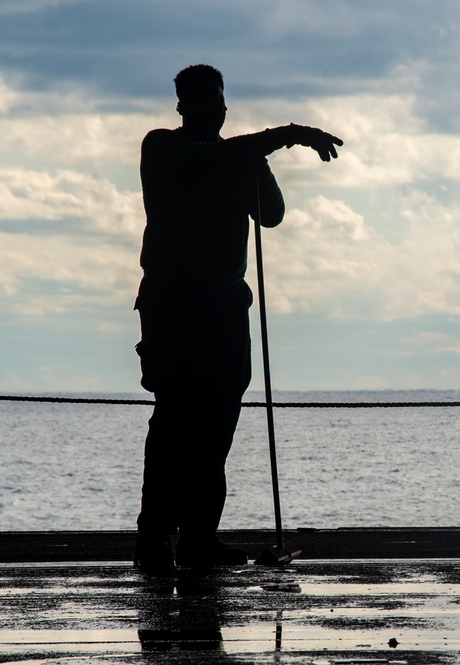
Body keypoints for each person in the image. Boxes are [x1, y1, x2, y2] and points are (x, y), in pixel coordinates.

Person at [133, 64, 342, 574]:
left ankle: (199, 537)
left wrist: (258, 158)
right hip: (174, 304)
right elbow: (214, 158)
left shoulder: (236, 158)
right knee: (177, 420)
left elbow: (270, 214)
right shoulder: (163, 148)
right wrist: (284, 136)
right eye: (198, 101)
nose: (208, 109)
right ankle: (155, 536)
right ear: (181, 106)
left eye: (216, 100)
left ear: (225, 106)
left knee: (218, 425)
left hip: (226, 305)